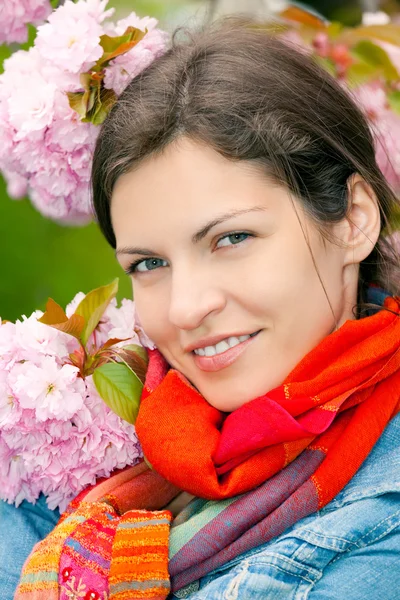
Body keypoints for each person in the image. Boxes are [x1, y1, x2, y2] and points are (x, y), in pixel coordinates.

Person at [2, 17, 400, 600]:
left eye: (232, 239)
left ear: (352, 220)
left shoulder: (379, 531)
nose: (186, 310)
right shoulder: (78, 461)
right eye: (148, 265)